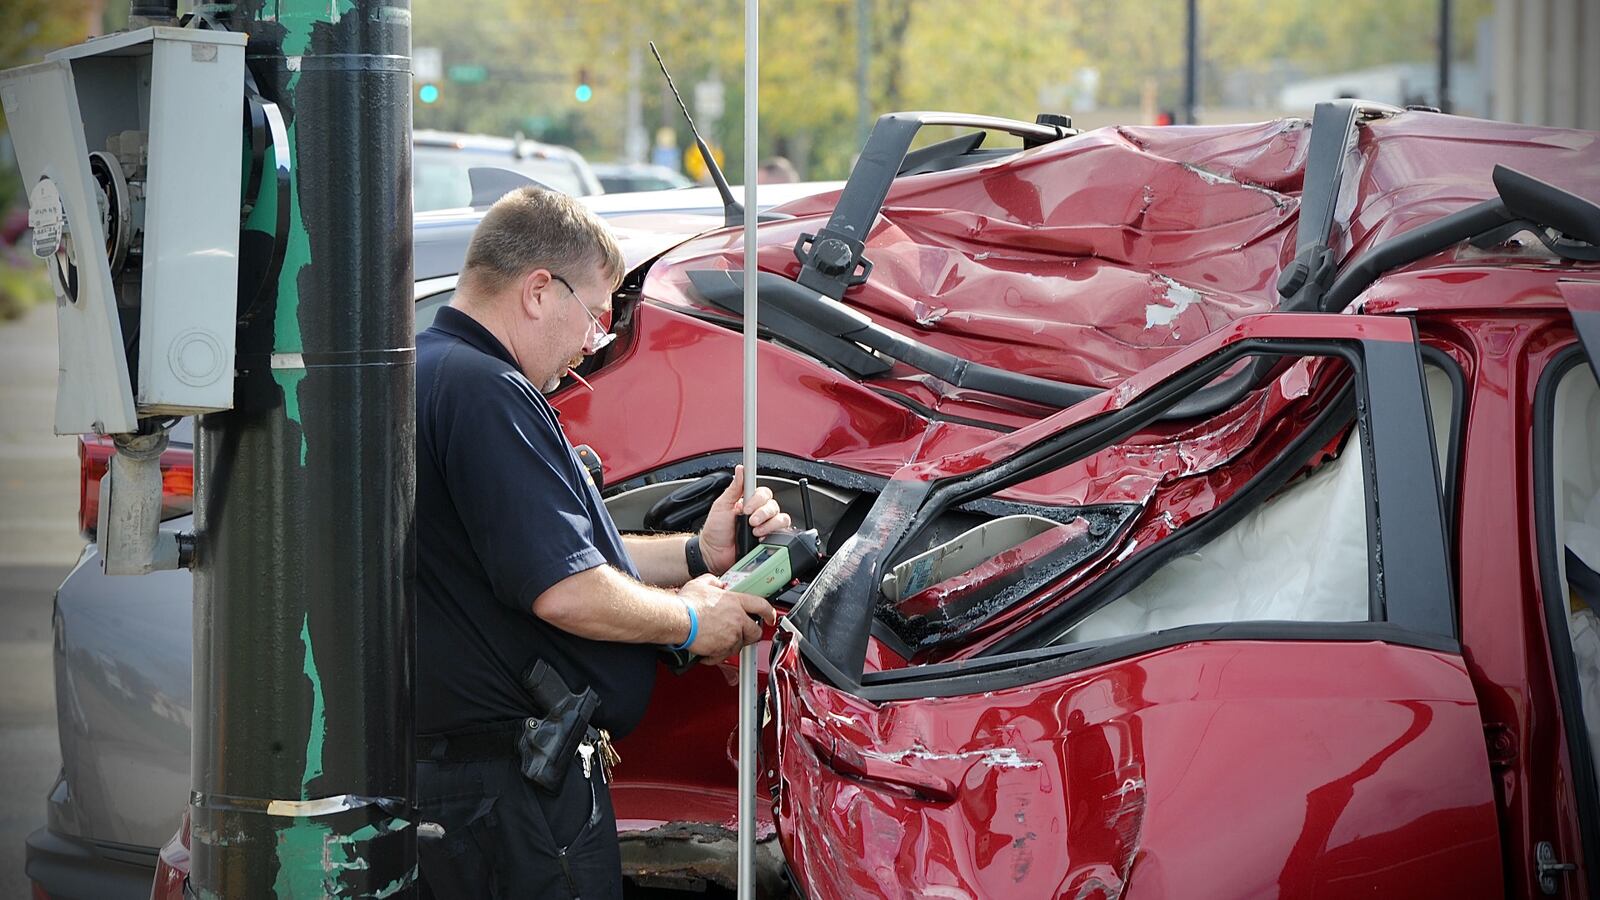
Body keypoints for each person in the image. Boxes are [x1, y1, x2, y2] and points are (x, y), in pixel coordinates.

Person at [413, 186, 788, 899]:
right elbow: (566, 590)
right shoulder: (488, 391)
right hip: (511, 807)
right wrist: (690, 621)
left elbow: (566, 550)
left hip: (474, 796)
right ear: (537, 291)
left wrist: (697, 556)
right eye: (594, 312)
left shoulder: (438, 374)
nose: (592, 342)